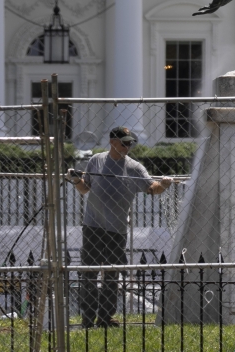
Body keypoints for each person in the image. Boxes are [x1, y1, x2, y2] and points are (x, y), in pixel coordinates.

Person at [68, 126, 174, 328]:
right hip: (93, 227)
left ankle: (105, 318)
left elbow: (152, 189)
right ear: (112, 142)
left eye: (129, 143)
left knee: (112, 275)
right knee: (88, 273)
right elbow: (84, 189)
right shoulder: (96, 161)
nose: (127, 146)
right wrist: (75, 180)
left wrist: (164, 184)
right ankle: (88, 318)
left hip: (116, 230)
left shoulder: (134, 167)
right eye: (124, 142)